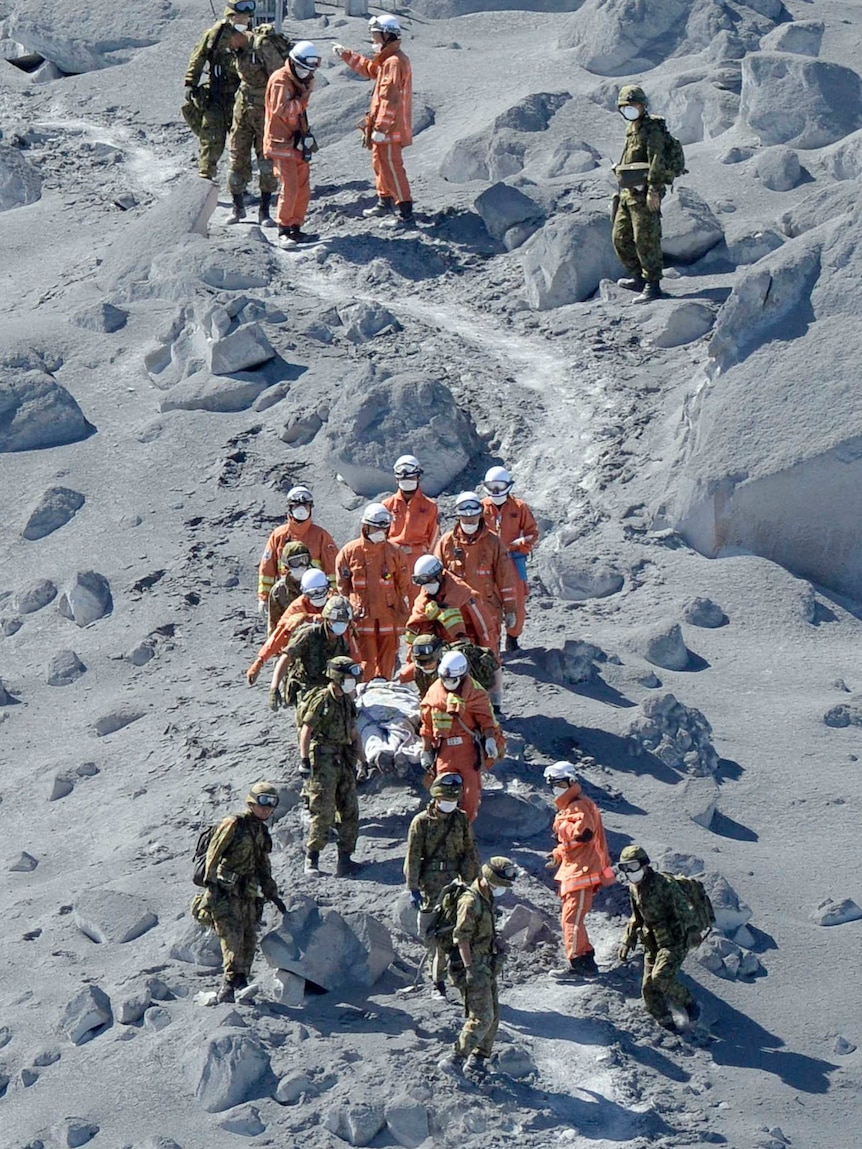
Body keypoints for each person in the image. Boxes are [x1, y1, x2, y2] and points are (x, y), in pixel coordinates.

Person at [199, 781, 287, 1003]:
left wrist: (271, 892)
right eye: (263, 802)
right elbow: (213, 853)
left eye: (272, 804)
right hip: (225, 892)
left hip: (248, 894)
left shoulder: (260, 831)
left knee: (248, 939)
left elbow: (262, 864)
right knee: (232, 938)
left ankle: (241, 984)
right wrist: (210, 888)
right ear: (252, 802)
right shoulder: (234, 824)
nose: (267, 808)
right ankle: (228, 986)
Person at [332, 15, 414, 230]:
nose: (373, 39)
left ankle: (405, 212)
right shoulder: (388, 60)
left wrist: (381, 127)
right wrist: (347, 55)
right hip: (384, 127)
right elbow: (370, 70)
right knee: (380, 163)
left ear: (387, 35)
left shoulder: (394, 62)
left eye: (375, 35)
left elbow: (390, 98)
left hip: (389, 129)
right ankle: (384, 201)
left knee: (392, 167)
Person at [438, 856, 518, 1077]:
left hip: (486, 963)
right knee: (481, 1017)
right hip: (473, 966)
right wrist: (469, 968)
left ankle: (479, 1059)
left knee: (493, 1016)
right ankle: (454, 1060)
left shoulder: (487, 897)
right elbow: (461, 938)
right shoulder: (470, 901)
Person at [435, 491, 516, 709]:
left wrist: (510, 609)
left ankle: (494, 703)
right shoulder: (446, 543)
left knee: (490, 656)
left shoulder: (493, 543)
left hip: (487, 612)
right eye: (465, 518)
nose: (469, 522)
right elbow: (436, 579)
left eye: (473, 518)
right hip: (457, 615)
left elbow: (506, 578)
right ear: (457, 517)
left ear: (481, 515)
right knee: (456, 656)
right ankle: (460, 703)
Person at [405, 773, 480, 994]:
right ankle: (437, 983)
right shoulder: (421, 822)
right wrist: (413, 887)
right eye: (446, 800)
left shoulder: (461, 819)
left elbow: (470, 852)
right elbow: (412, 855)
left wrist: (472, 882)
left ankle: (460, 976)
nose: (450, 804)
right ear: (436, 798)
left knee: (461, 930)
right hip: (431, 886)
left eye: (453, 800)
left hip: (457, 883)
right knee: (436, 936)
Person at [617, 844, 701, 1030]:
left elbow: (684, 909)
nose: (629, 872)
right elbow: (636, 917)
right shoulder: (634, 888)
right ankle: (666, 1022)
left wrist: (693, 931)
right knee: (648, 987)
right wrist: (627, 940)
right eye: (624, 868)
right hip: (652, 942)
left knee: (660, 978)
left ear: (644, 864)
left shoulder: (664, 884)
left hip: (674, 941)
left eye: (632, 866)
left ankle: (689, 1003)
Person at [544, 762, 614, 980]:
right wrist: (557, 853)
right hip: (574, 869)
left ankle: (577, 964)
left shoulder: (579, 806)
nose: (556, 787)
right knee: (572, 918)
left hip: (582, 871)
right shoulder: (569, 807)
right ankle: (585, 959)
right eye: (553, 784)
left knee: (571, 919)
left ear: (571, 782)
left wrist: (564, 833)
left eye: (560, 783)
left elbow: (584, 834)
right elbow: (573, 842)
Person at [298, 656, 365, 877]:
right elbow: (307, 730)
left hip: (344, 758)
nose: (351, 682)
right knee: (323, 811)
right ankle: (312, 859)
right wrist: (304, 761)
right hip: (323, 760)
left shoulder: (347, 700)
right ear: (336, 678)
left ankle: (345, 860)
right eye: (347, 678)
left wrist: (363, 760)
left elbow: (353, 732)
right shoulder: (322, 700)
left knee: (349, 810)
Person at [419, 649, 503, 822]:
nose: (448, 682)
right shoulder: (433, 694)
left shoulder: (476, 693)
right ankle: (442, 826)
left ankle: (465, 827)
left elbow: (486, 719)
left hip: (467, 750)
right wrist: (426, 750)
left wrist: (490, 741)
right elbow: (427, 725)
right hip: (444, 750)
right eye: (445, 679)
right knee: (442, 791)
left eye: (452, 679)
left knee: (470, 794)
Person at [612, 85, 672, 304]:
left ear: (643, 106)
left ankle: (652, 285)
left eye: (633, 105)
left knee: (645, 239)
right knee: (620, 238)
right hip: (629, 192)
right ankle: (638, 277)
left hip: (645, 192)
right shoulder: (632, 129)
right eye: (625, 106)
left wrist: (654, 191)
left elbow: (656, 159)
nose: (629, 109)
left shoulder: (652, 128)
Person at [335, 503, 410, 680]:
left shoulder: (395, 552)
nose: (379, 531)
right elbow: (343, 587)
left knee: (388, 661)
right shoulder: (349, 552)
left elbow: (403, 585)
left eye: (383, 528)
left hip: (388, 616)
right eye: (376, 527)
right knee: (363, 663)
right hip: (361, 618)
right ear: (365, 526)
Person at [228, 21, 292, 225]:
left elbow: (280, 76)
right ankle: (238, 209)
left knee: (266, 159)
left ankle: (265, 211)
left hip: (265, 109)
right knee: (237, 155)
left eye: (230, 40)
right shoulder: (236, 49)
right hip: (242, 108)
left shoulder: (262, 45)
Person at [183, 1, 251, 180]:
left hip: (240, 97)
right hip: (215, 94)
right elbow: (198, 56)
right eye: (240, 15)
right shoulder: (216, 33)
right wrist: (190, 82)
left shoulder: (251, 37)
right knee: (211, 138)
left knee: (240, 142)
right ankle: (205, 178)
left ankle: (239, 185)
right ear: (230, 14)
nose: (244, 19)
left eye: (246, 16)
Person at [263, 40, 321, 246]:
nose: (306, 74)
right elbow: (283, 110)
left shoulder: (301, 79)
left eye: (309, 70)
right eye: (303, 69)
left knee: (303, 186)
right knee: (291, 186)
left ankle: (296, 227)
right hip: (281, 142)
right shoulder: (281, 80)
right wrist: (305, 97)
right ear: (294, 63)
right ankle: (284, 229)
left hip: (296, 140)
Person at [246, 567, 330, 703]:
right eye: (313, 593)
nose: (318, 596)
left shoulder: (336, 602)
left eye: (321, 591)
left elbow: (348, 632)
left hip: (334, 657)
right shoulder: (296, 610)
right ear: (304, 593)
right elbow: (279, 636)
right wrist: (260, 661)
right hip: (307, 662)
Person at [279, 595, 361, 732]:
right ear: (327, 619)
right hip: (307, 688)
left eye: (344, 621)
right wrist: (274, 687)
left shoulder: (342, 643)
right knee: (308, 726)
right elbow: (286, 657)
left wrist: (351, 699)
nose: (340, 624)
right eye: (336, 620)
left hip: (330, 689)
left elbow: (346, 672)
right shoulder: (309, 635)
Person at [480, 466, 538, 653]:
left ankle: (512, 637)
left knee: (517, 601)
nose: (496, 491)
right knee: (489, 601)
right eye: (492, 486)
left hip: (513, 560)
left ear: (508, 486)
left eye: (500, 486)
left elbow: (532, 532)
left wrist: (522, 544)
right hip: (489, 563)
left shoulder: (519, 507)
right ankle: (493, 641)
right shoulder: (480, 508)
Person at [257, 485, 338, 613]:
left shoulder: (321, 536)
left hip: (315, 598)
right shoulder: (278, 536)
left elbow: (333, 570)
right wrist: (264, 597)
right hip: (284, 597)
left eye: (305, 506)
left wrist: (334, 598)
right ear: (289, 508)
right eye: (296, 506)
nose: (301, 510)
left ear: (311, 508)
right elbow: (267, 569)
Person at [382, 456, 439, 600]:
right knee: (392, 602)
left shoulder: (430, 507)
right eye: (403, 478)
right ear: (396, 479)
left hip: (418, 563)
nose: (407, 481)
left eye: (411, 477)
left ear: (418, 477)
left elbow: (433, 541)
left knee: (419, 603)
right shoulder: (386, 506)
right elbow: (380, 537)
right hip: (393, 561)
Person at [266, 540, 312, 632]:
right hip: (291, 640)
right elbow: (274, 624)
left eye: (304, 560)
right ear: (287, 564)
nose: (301, 565)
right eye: (295, 562)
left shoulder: (318, 582)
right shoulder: (279, 591)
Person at [398, 632, 443, 699]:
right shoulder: (410, 672)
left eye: (429, 663)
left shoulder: (449, 669)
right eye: (422, 664)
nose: (426, 667)